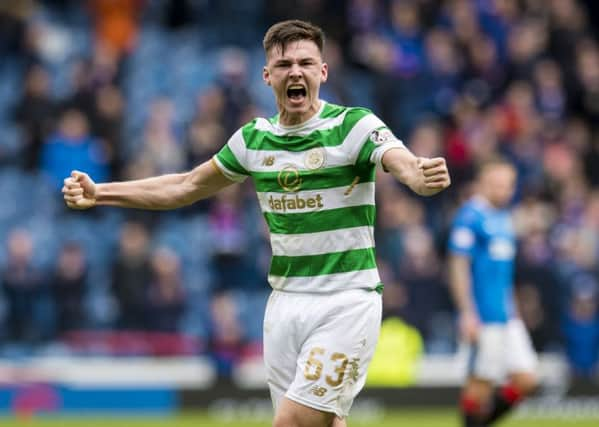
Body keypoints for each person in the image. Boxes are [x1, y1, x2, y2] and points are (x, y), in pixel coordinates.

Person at [62, 20, 450, 427]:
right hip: (284, 305)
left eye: (306, 62)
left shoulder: (354, 126)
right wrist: (101, 192)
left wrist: (417, 175)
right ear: (267, 76)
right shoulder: (253, 140)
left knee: (292, 422)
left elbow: (399, 160)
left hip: (346, 300)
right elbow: (185, 185)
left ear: (323, 72)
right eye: (284, 65)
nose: (295, 72)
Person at [448, 158, 538, 427]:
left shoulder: (503, 219)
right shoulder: (470, 216)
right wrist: (467, 313)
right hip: (483, 316)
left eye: (508, 185)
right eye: (497, 185)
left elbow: (504, 274)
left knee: (527, 380)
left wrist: (514, 311)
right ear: (483, 183)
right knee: (480, 387)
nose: (503, 191)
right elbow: (458, 266)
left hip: (506, 315)